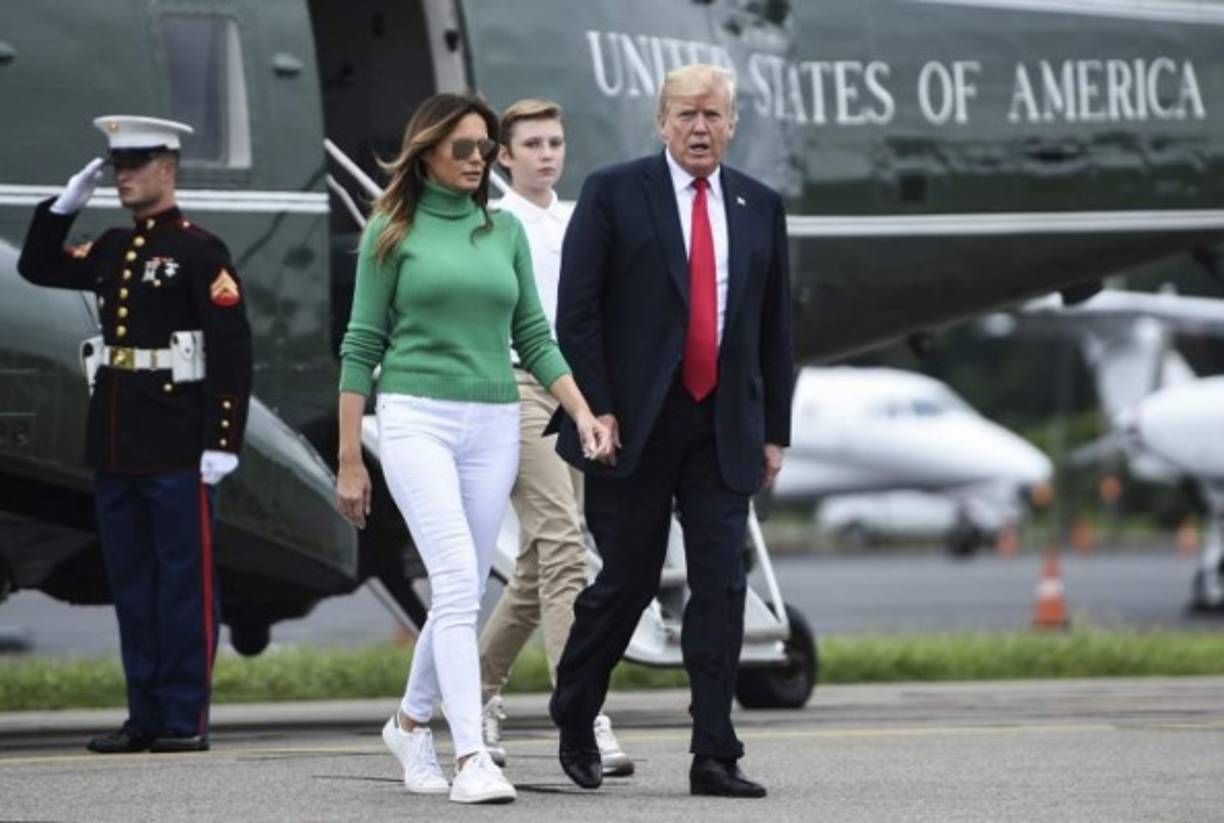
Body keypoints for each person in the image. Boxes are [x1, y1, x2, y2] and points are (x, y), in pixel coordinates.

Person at [333, 93, 613, 805]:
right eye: (463, 146)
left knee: (459, 589)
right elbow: (361, 344)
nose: (477, 159)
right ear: (426, 149)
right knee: (458, 576)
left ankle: (407, 721)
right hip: (415, 415)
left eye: (485, 147)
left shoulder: (504, 232)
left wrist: (581, 411)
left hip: (493, 420)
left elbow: (535, 337)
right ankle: (470, 757)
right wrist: (349, 456)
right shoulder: (389, 230)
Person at [548, 64, 794, 798]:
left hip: (723, 423)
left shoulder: (759, 204)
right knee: (625, 582)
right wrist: (598, 408)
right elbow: (578, 313)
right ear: (660, 122)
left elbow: (776, 328)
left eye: (713, 115)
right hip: (635, 423)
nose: (699, 128)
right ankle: (575, 711)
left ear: (732, 124)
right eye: (686, 114)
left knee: (721, 585)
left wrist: (774, 429)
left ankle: (714, 752)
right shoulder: (615, 192)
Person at [17, 115, 253, 754]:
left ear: (167, 169)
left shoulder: (200, 251)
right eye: (117, 167)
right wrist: (62, 208)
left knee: (182, 585)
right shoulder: (115, 247)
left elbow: (231, 350)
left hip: (179, 444)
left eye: (135, 166)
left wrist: (221, 441)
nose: (123, 177)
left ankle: (183, 719)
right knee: (132, 584)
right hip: (119, 442)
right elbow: (38, 268)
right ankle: (143, 714)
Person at [476, 98, 633, 777]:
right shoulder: (492, 223)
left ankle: (475, 690)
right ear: (503, 156)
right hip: (517, 386)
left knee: (541, 561)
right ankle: (584, 709)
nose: (547, 153)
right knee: (566, 541)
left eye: (555, 142)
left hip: (577, 394)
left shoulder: (578, 220)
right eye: (532, 143)